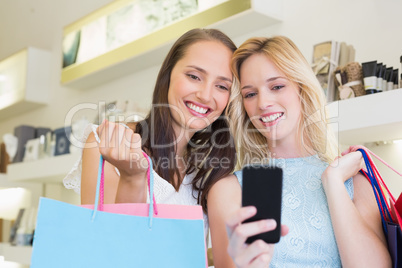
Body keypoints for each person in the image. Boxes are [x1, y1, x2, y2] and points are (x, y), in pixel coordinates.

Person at [207, 36, 392, 267]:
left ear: (301, 88)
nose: (263, 103)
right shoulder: (228, 191)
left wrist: (333, 182)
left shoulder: (353, 179)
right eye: (250, 94)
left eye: (277, 86)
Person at [63, 28, 237, 262]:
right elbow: (108, 251)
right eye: (194, 76)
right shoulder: (113, 142)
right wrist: (132, 177)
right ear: (168, 74)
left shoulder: (208, 170)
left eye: (222, 86)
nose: (206, 95)